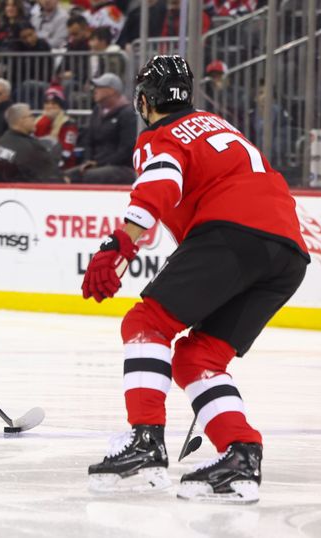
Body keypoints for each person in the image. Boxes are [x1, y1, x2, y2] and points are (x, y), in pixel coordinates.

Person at [83, 55, 309, 504]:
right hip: (287, 252)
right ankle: (241, 454)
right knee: (198, 356)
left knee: (145, 325)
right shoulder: (215, 124)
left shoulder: (158, 135)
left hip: (232, 234)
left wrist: (119, 243)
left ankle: (145, 442)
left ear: (144, 101)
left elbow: (162, 180)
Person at [68, 73, 135, 184]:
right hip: (97, 164)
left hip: (121, 167)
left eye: (99, 87)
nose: (95, 90)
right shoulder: (96, 111)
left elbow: (126, 150)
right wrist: (88, 161)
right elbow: (88, 141)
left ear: (112, 91)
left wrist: (99, 163)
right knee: (65, 175)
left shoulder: (127, 114)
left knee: (87, 176)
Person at [0, 103, 63, 183]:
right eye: (31, 116)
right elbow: (53, 177)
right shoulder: (32, 148)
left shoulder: (3, 141)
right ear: (21, 120)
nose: (34, 119)